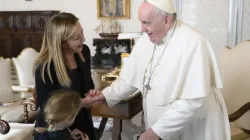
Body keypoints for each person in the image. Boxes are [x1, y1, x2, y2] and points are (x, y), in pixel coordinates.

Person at [89, 0, 231, 140]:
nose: (142, 29)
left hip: (194, 127)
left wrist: (157, 132)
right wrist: (106, 95)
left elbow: (190, 102)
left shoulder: (193, 42)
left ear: (167, 20)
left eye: (147, 22)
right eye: (141, 22)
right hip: (161, 126)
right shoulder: (147, 39)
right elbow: (129, 79)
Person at [34, 12, 96, 140]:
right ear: (62, 43)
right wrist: (82, 102)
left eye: (82, 33)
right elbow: (47, 109)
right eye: (76, 38)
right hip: (55, 133)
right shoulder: (45, 67)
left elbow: (87, 85)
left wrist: (91, 93)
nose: (83, 39)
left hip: (82, 122)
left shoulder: (83, 51)